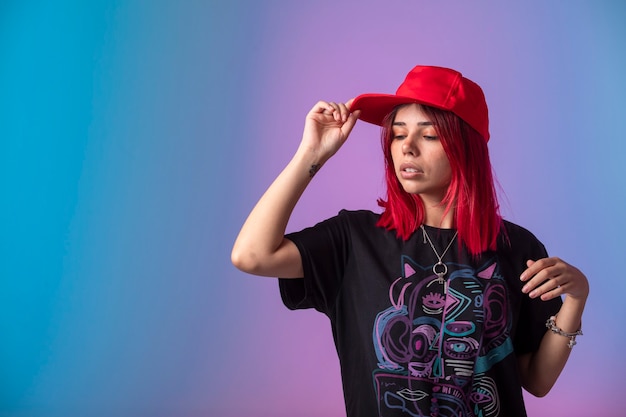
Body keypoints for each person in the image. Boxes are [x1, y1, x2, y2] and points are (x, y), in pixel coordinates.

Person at [231, 65, 589, 417]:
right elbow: (252, 255)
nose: (407, 148)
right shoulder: (354, 240)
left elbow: (537, 380)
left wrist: (576, 298)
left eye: (428, 135)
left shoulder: (517, 248)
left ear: (465, 147)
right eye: (398, 134)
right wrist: (311, 155)